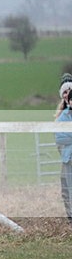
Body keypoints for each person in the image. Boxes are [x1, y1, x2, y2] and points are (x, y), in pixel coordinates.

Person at [54, 72, 72, 222]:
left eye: (69, 92)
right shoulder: (62, 115)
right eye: (65, 92)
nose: (67, 95)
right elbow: (59, 138)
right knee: (66, 189)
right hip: (67, 157)